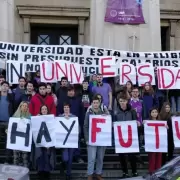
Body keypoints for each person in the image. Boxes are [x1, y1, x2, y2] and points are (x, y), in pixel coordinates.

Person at [84, 96, 109, 180]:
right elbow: (85, 127)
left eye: (97, 103)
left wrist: (107, 116)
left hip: (101, 139)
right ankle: (90, 174)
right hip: (92, 139)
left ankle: (98, 173)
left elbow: (108, 125)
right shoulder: (88, 113)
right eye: (94, 103)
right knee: (91, 158)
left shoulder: (103, 114)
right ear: (91, 104)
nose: (95, 104)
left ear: (99, 103)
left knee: (100, 158)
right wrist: (87, 139)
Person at [114, 95, 140, 178]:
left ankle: (134, 171)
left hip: (130, 135)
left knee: (131, 155)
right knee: (121, 155)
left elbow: (136, 121)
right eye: (120, 101)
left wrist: (137, 123)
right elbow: (114, 122)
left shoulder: (132, 111)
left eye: (124, 101)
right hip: (120, 136)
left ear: (127, 101)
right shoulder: (116, 111)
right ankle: (124, 172)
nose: (122, 103)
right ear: (119, 102)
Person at [34, 105, 56, 180]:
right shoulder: (37, 118)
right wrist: (36, 118)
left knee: (47, 158)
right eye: (42, 109)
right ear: (40, 110)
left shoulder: (51, 119)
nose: (44, 110)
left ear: (47, 110)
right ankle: (40, 173)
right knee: (40, 158)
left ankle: (47, 174)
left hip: (48, 144)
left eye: (45, 109)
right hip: (40, 143)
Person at [146, 107, 167, 176]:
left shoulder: (161, 122)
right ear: (150, 113)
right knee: (152, 158)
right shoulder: (147, 122)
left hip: (159, 143)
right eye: (153, 112)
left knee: (159, 157)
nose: (154, 114)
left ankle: (158, 172)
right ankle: (151, 172)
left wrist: (167, 127)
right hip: (151, 143)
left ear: (158, 113)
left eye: (156, 112)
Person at [59, 103, 77, 180]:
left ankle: (68, 174)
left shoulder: (74, 117)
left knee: (70, 160)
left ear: (69, 108)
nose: (66, 108)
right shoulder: (59, 117)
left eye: (67, 107)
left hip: (72, 141)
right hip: (64, 142)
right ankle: (62, 165)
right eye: (65, 107)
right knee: (66, 159)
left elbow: (77, 128)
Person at [12, 101, 31, 167]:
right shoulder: (15, 116)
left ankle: (25, 173)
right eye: (23, 105)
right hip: (16, 139)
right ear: (20, 107)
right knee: (16, 158)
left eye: (26, 106)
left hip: (25, 140)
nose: (25, 107)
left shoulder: (29, 116)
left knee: (25, 158)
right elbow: (11, 126)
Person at [0, 81, 15, 163]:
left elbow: (14, 108)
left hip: (8, 122)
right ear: (1, 86)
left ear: (8, 88)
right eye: (3, 85)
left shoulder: (11, 97)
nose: (5, 87)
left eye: (6, 86)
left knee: (8, 142)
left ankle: (7, 159)